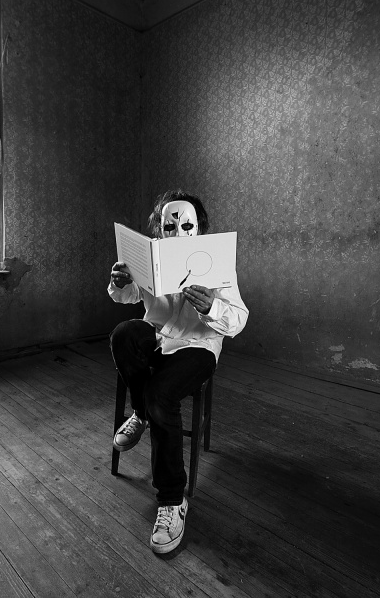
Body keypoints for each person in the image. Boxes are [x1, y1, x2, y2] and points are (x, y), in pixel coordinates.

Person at [107, 189, 249, 554]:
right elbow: (129, 296)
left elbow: (238, 320)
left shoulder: (215, 262)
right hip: (158, 337)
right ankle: (141, 412)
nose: (178, 231)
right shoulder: (151, 257)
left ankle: (172, 500)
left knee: (161, 396)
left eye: (187, 225)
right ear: (159, 227)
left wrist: (212, 306)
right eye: (169, 226)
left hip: (198, 346)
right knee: (124, 334)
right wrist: (120, 284)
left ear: (199, 228)